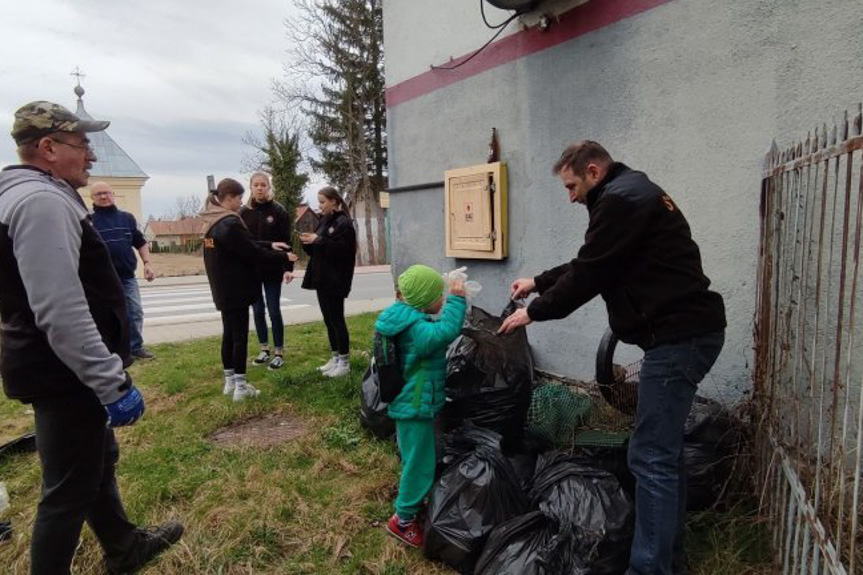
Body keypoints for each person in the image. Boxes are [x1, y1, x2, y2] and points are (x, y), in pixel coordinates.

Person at [499, 141, 726, 575]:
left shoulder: (621, 200)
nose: (570, 197)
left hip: (680, 338)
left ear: (593, 172)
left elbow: (588, 274)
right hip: (685, 333)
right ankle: (668, 559)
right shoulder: (629, 193)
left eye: (571, 186)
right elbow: (593, 262)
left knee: (650, 454)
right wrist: (538, 282)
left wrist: (535, 311)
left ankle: (650, 568)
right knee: (662, 452)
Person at [0, 101, 182, 574]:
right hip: (65, 371)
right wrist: (109, 382)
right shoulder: (40, 203)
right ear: (47, 147)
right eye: (82, 144)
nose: (91, 157)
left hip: (59, 366)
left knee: (95, 463)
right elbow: (60, 308)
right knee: (66, 493)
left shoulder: (34, 194)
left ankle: (124, 547)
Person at [375, 265, 467, 547]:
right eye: (437, 296)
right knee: (420, 463)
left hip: (408, 404)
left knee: (414, 457)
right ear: (423, 300)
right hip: (414, 406)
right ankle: (402, 521)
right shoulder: (417, 330)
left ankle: (411, 500)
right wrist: (457, 298)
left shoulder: (400, 318)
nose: (441, 301)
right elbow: (447, 330)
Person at [201, 177, 297, 401]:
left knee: (228, 334)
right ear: (229, 198)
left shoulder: (211, 221)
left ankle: (229, 382)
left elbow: (245, 244)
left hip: (222, 288)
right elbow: (252, 252)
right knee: (240, 337)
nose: (241, 202)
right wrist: (282, 255)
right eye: (239, 198)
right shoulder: (230, 222)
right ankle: (241, 388)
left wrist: (270, 244)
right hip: (237, 287)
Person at [89, 181, 156, 361]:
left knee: (134, 312)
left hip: (127, 277)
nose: (103, 196)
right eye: (98, 194)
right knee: (106, 316)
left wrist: (147, 264)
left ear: (113, 194)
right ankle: (111, 351)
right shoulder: (88, 221)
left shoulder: (126, 218)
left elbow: (140, 242)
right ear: (92, 198)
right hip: (100, 281)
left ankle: (135, 347)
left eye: (106, 192)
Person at [300, 186, 357, 378]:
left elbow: (342, 251)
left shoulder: (344, 223)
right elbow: (318, 249)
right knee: (328, 320)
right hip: (321, 278)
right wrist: (308, 243)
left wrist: (319, 241)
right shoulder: (323, 220)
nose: (320, 205)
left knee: (337, 319)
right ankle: (335, 357)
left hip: (335, 279)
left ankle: (345, 362)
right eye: (319, 201)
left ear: (334, 201)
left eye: (323, 201)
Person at [239, 171, 294, 370]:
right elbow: (244, 243)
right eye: (256, 185)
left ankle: (278, 351)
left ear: (269, 187)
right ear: (251, 187)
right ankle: (264, 349)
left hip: (273, 268)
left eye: (263, 185)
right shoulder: (243, 213)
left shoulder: (278, 211)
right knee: (258, 310)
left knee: (273, 310)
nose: (260, 188)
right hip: (252, 270)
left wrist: (288, 268)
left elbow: (287, 242)